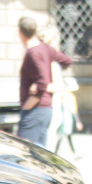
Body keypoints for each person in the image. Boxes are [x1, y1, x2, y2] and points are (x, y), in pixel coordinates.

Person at [17, 15, 71, 147]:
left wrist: (28, 104)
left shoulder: (33, 52)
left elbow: (42, 81)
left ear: (20, 33)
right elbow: (66, 61)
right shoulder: (45, 49)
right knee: (38, 153)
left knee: (23, 151)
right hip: (45, 109)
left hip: (35, 109)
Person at [50, 64, 82, 157]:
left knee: (65, 136)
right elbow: (73, 110)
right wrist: (78, 121)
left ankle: (57, 153)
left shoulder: (62, 94)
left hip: (63, 118)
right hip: (66, 119)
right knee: (65, 135)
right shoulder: (69, 96)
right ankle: (58, 153)